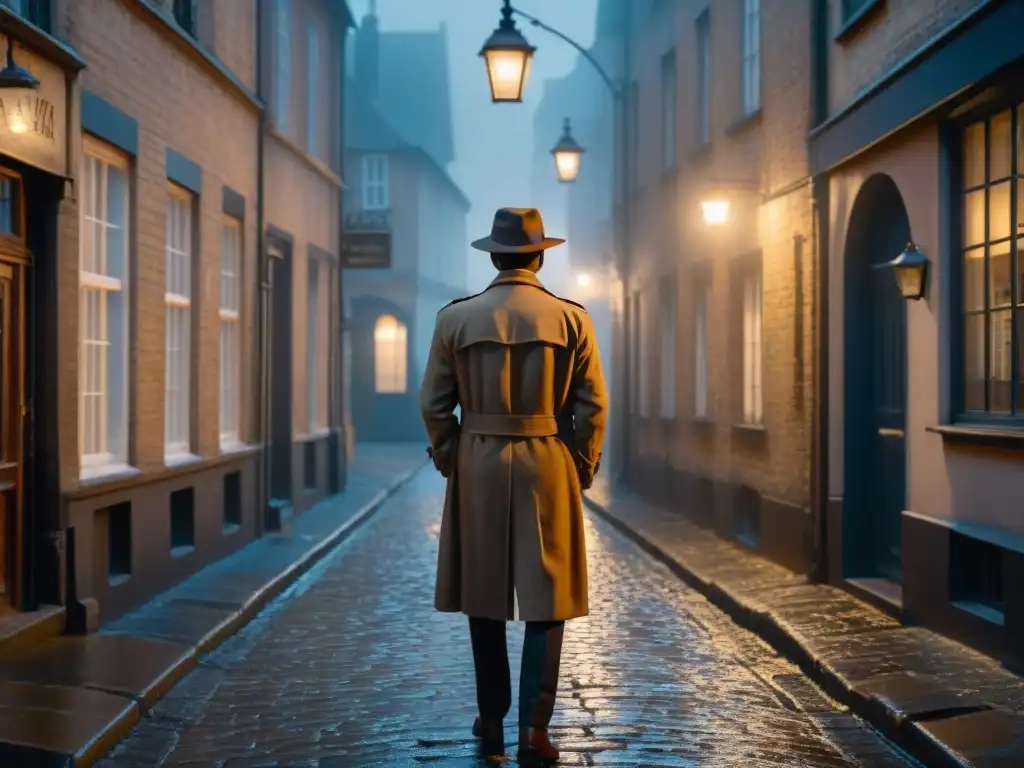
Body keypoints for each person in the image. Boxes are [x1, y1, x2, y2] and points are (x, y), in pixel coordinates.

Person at [420, 207, 608, 765]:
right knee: (548, 594)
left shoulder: (455, 320)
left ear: (495, 257)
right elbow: (592, 405)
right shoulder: (572, 319)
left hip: (478, 457)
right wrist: (582, 464)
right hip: (548, 458)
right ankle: (535, 729)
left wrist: (455, 454)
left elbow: (434, 404)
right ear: (540, 256)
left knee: (484, 592)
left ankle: (493, 719)